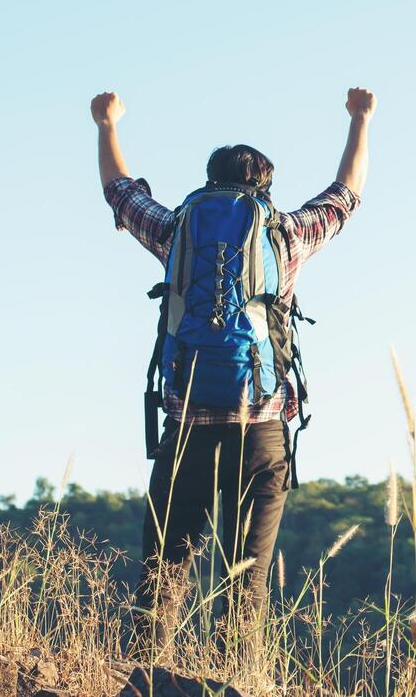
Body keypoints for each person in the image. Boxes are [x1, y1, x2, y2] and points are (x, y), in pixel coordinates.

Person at [89, 86, 374, 650]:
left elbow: (119, 193)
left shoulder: (176, 230)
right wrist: (360, 119)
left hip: (187, 427)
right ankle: (234, 677)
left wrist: (106, 124)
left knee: (163, 575)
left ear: (209, 181)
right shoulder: (285, 235)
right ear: (264, 189)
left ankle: (145, 679)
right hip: (261, 431)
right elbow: (345, 196)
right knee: (247, 580)